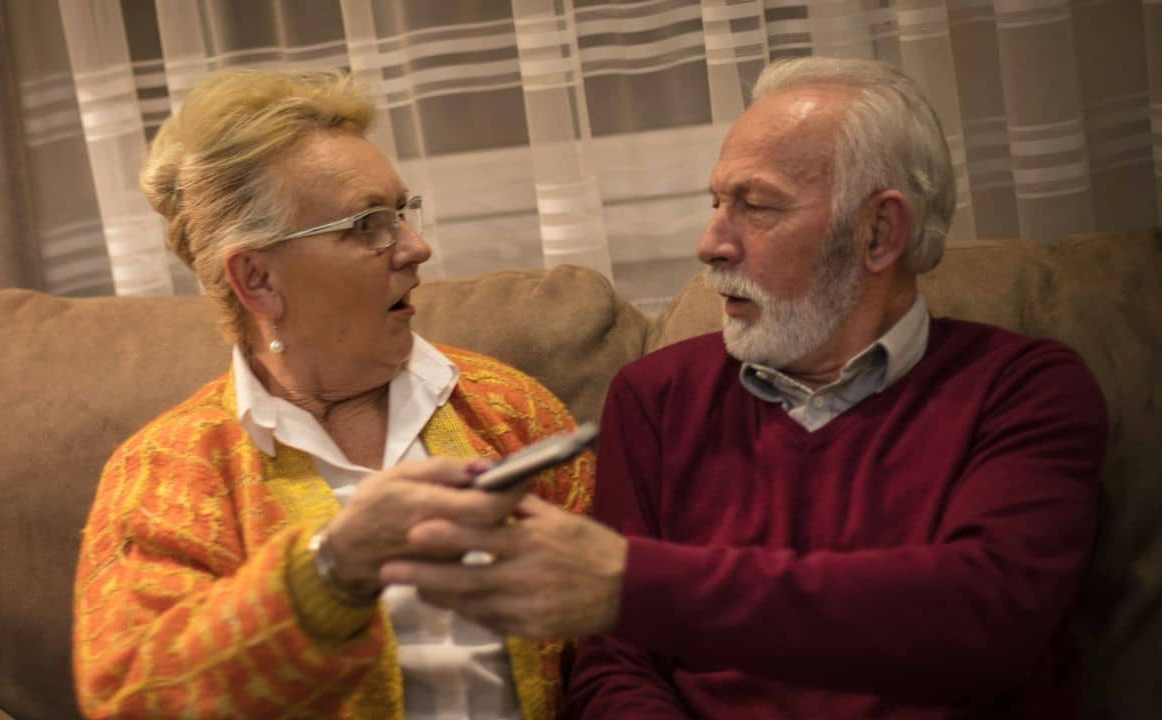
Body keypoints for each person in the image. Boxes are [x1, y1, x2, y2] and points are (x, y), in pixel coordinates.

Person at [379, 57, 1108, 718]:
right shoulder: (659, 397)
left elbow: (983, 617)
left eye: (757, 206)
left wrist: (634, 579)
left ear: (880, 233)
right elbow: (615, 667)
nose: (711, 245)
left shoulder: (1024, 390)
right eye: (716, 203)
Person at [71, 68, 593, 719]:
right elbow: (132, 697)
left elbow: (619, 646)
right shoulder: (168, 472)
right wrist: (331, 572)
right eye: (369, 225)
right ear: (258, 280)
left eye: (402, 213)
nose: (417, 248)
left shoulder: (510, 409)